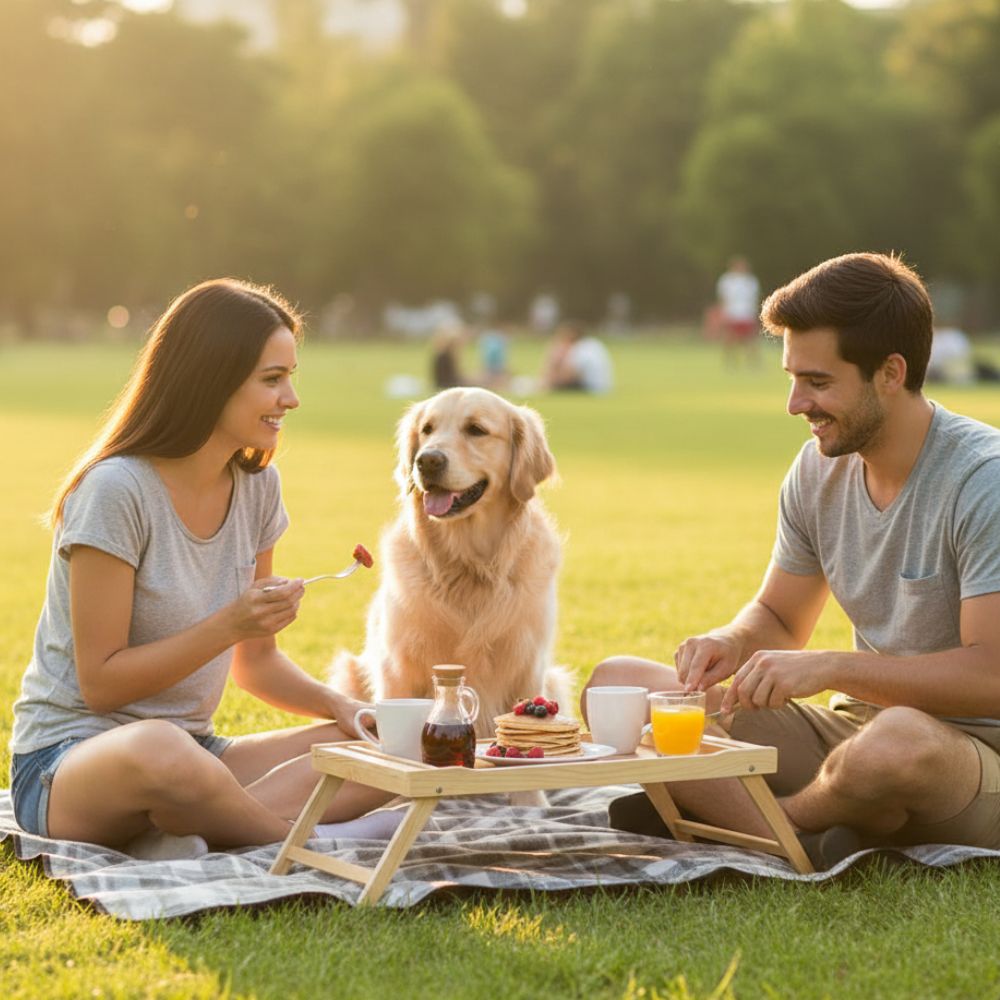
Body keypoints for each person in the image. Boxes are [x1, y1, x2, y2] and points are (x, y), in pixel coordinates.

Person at [583, 252, 1000, 868]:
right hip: (854, 732)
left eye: (818, 382)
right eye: (792, 378)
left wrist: (829, 667)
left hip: (967, 753)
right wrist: (730, 642)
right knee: (619, 684)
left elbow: (991, 677)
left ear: (890, 373)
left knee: (894, 745)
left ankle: (765, 826)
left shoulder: (983, 480)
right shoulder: (818, 469)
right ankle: (823, 827)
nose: (795, 403)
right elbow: (779, 617)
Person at [9, 279, 390, 858]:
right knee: (160, 751)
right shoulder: (116, 490)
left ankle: (187, 829)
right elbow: (101, 684)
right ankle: (312, 843)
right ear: (211, 380)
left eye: (290, 377)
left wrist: (340, 705)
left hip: (196, 757)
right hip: (68, 764)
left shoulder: (258, 488)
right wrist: (228, 624)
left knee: (386, 743)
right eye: (272, 379)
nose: (291, 399)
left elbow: (256, 664)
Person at [542, 322, 614, 395]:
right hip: (602, 386)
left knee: (551, 385)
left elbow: (568, 377)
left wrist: (555, 360)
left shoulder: (580, 349)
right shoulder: (591, 343)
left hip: (592, 388)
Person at [716, 256, 761, 366]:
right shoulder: (726, 280)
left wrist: (755, 313)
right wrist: (723, 313)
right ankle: (730, 361)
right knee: (730, 339)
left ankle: (752, 362)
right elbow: (723, 298)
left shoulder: (751, 281)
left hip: (747, 314)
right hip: (732, 313)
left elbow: (754, 298)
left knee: (750, 339)